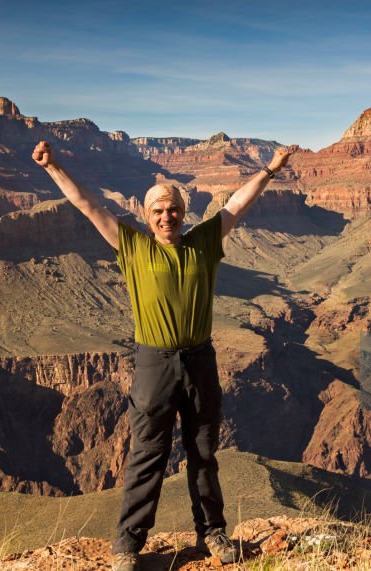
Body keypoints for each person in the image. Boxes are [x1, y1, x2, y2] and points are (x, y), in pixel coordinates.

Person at [32, 140, 293, 571]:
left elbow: (238, 205)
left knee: (203, 451)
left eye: (173, 209)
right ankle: (127, 547)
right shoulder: (134, 247)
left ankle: (212, 532)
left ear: (183, 211)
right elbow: (88, 206)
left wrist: (270, 169)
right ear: (147, 216)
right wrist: (53, 166)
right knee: (146, 454)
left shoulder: (204, 241)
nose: (166, 216)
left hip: (200, 361)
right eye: (158, 210)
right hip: (154, 364)